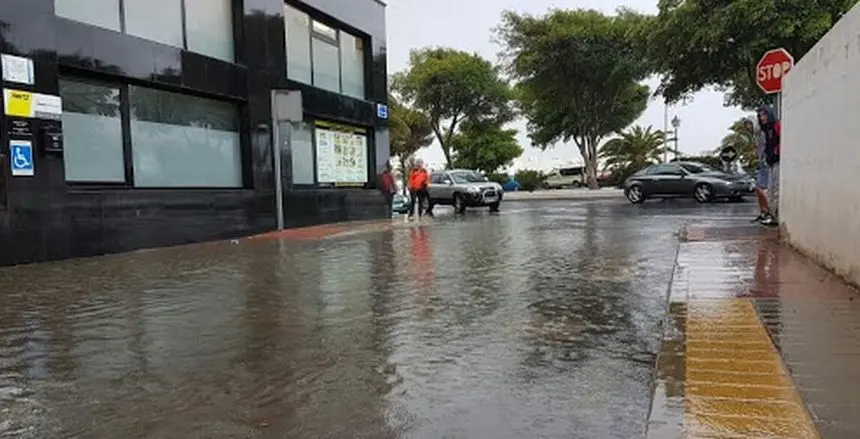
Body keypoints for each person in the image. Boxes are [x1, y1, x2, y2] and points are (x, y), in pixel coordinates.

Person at [757, 106, 781, 227]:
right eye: (760, 116)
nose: (762, 118)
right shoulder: (765, 130)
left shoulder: (776, 126)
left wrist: (776, 152)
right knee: (770, 190)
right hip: (770, 162)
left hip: (777, 161)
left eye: (764, 115)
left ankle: (775, 215)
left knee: (775, 189)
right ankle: (772, 214)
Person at [748, 115, 773, 224]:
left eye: (749, 124)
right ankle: (763, 212)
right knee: (758, 189)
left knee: (762, 189)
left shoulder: (762, 133)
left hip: (766, 163)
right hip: (761, 163)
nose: (747, 127)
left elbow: (766, 146)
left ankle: (770, 212)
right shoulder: (755, 135)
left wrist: (765, 159)